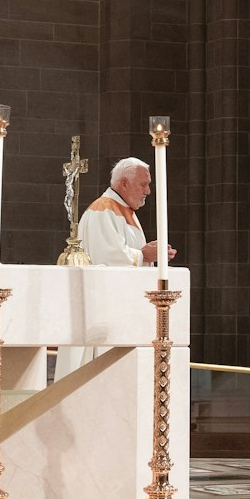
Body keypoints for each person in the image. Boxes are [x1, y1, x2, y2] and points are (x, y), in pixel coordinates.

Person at [54, 157, 178, 380]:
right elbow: (106, 259)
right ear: (124, 183)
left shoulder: (122, 210)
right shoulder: (103, 211)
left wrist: (148, 253)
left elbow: (122, 252)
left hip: (120, 311)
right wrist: (143, 255)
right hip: (102, 314)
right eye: (143, 184)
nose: (148, 191)